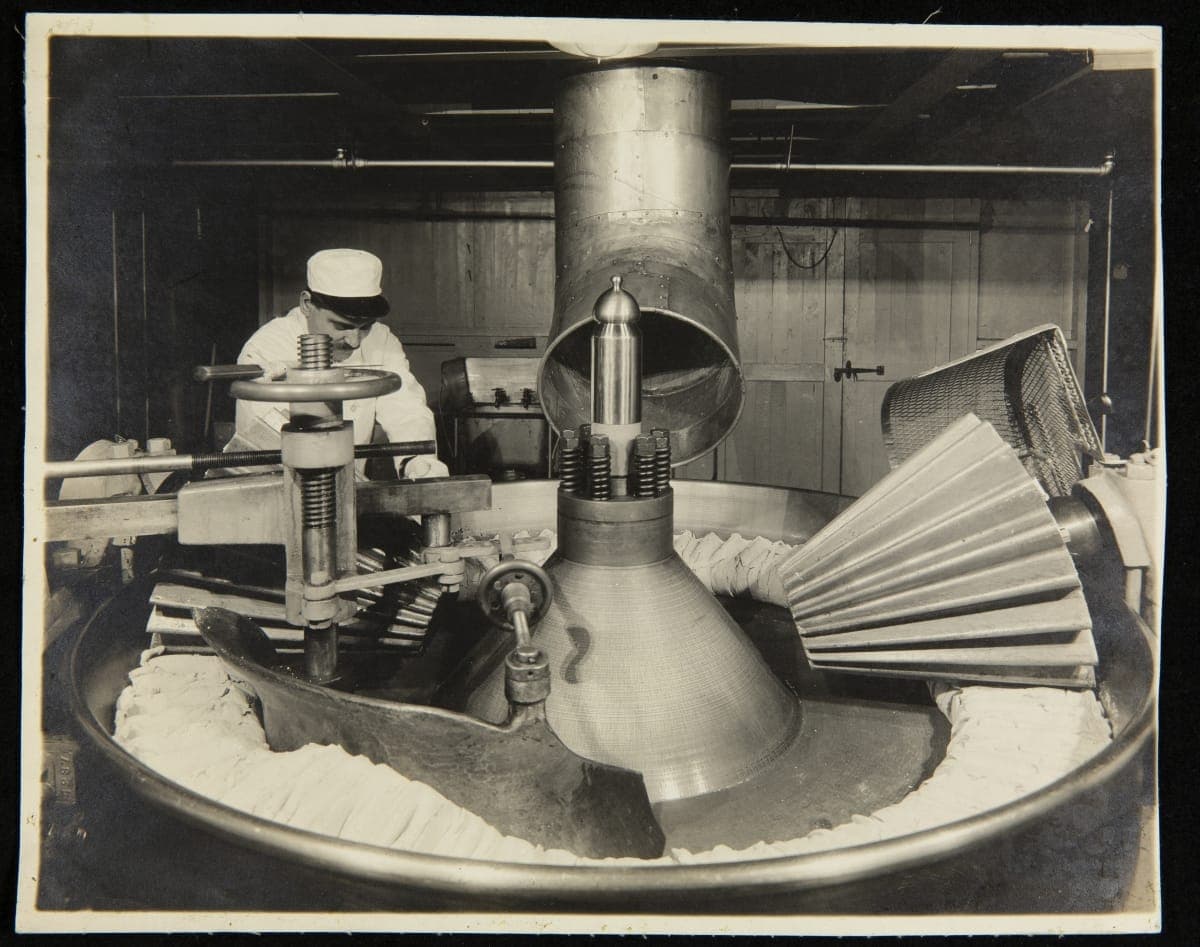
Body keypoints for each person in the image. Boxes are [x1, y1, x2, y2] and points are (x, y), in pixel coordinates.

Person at [227, 248, 449, 480]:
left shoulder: (381, 340)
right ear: (306, 304)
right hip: (276, 485)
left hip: (347, 486)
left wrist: (416, 462)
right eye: (342, 326)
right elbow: (271, 435)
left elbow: (406, 410)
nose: (354, 342)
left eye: (365, 326)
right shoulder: (267, 347)